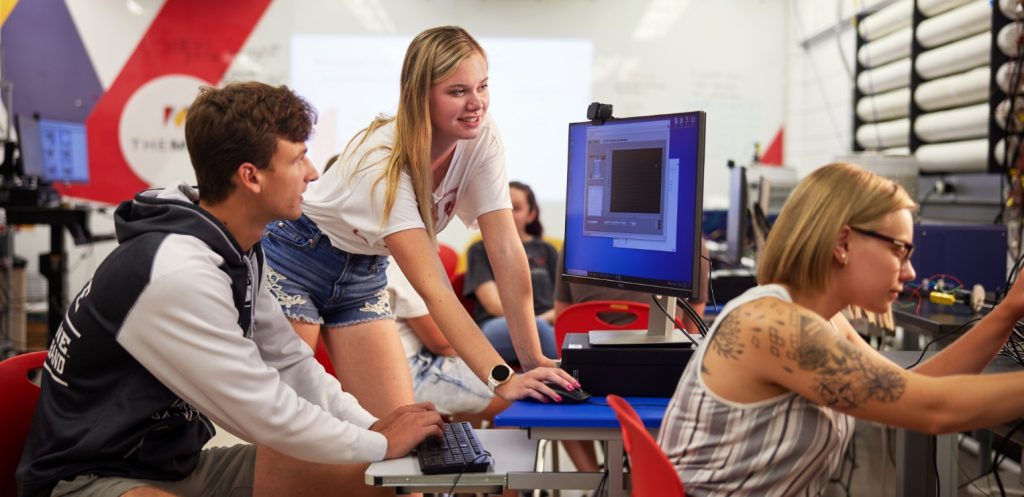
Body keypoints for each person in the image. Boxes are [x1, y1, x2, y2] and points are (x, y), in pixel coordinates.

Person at [16, 82, 443, 497]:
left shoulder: (235, 248)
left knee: (384, 484)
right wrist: (382, 443)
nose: (312, 174)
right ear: (251, 177)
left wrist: (371, 428)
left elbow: (289, 363)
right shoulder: (176, 273)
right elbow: (261, 408)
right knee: (376, 458)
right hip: (90, 479)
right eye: (298, 160)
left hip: (174, 465)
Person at [261, 24, 577, 425]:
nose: (476, 103)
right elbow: (434, 288)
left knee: (398, 428)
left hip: (363, 269)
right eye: (457, 91)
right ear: (419, 94)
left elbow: (505, 250)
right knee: (290, 422)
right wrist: (501, 379)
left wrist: (531, 359)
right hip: (298, 258)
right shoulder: (381, 165)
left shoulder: (481, 137)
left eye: (482, 86)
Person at [658, 162, 1024, 496]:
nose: (910, 272)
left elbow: (915, 386)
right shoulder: (776, 327)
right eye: (900, 250)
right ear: (842, 243)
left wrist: (1008, 311)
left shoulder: (820, 319)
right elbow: (933, 410)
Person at [386, 259, 508, 418]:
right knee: (512, 397)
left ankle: (470, 434)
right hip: (413, 372)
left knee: (495, 379)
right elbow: (442, 345)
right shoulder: (401, 264)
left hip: (400, 367)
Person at [464, 181, 559, 361]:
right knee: (540, 330)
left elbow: (564, 302)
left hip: (548, 324)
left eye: (516, 208)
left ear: (531, 215)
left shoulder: (548, 250)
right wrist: (538, 321)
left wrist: (548, 319)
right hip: (500, 325)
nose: (507, 214)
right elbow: (493, 305)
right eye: (503, 206)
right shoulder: (479, 250)